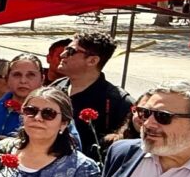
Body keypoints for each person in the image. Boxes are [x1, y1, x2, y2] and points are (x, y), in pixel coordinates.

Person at [52, 31, 134, 159]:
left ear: (92, 60)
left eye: (71, 51)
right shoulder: (56, 88)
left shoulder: (117, 101)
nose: (63, 55)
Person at [0, 53, 46, 153]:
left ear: (42, 79)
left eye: (31, 75)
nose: (23, 81)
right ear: (7, 79)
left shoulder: (53, 113)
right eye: (17, 75)